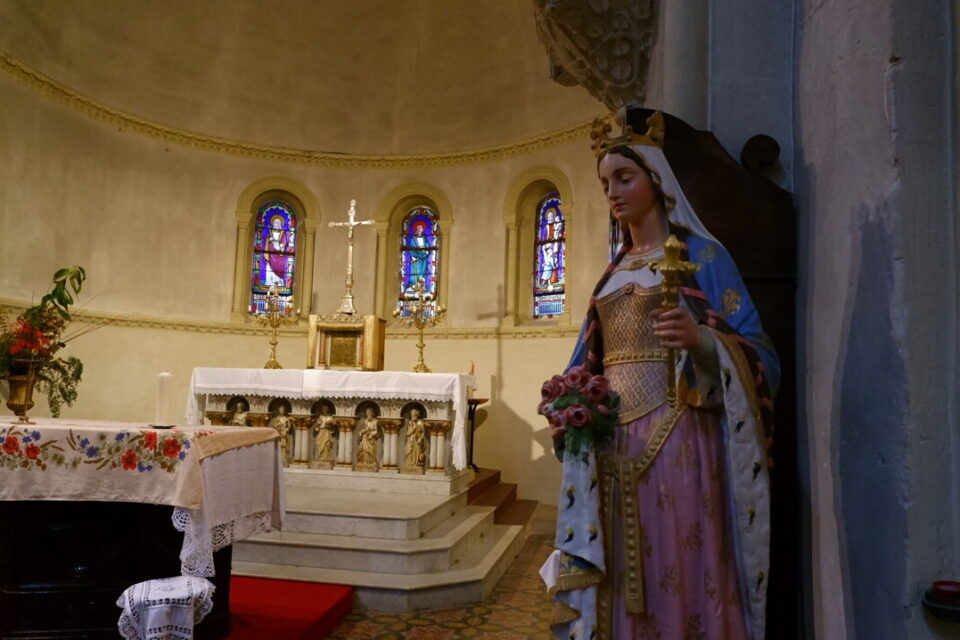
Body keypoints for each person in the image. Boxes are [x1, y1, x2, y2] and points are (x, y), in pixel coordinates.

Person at [542, 110, 779, 640]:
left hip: (681, 439)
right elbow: (586, 360)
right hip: (611, 446)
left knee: (680, 559)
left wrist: (704, 340)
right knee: (622, 569)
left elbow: (762, 353)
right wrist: (567, 406)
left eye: (625, 178)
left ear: (656, 179)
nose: (614, 193)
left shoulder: (703, 256)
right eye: (605, 183)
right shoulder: (613, 273)